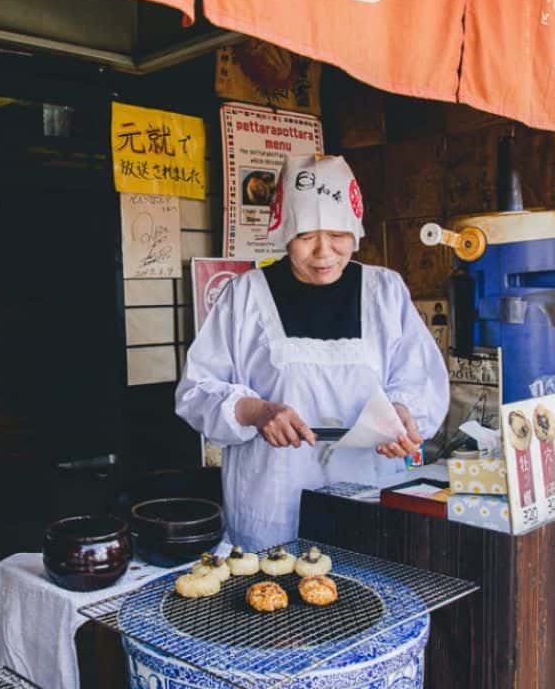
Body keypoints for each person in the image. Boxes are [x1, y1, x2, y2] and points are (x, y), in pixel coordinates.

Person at [175, 154, 449, 550]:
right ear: (284, 233)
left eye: (338, 234)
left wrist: (404, 417)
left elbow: (419, 381)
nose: (323, 252)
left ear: (355, 229)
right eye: (306, 237)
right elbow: (195, 392)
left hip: (368, 497)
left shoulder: (385, 292)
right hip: (272, 505)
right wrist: (258, 411)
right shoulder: (246, 295)